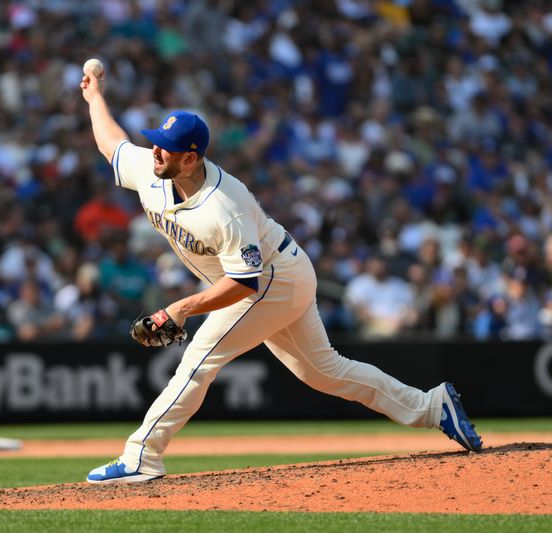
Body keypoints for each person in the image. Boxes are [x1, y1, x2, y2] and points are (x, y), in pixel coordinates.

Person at [80, 63, 482, 485]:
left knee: (199, 360)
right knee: (326, 371)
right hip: (280, 271)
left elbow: (244, 283)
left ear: (191, 157)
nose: (156, 150)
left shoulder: (224, 205)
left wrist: (180, 309)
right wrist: (95, 97)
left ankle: (142, 455)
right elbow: (113, 145)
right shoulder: (154, 170)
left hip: (273, 279)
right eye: (157, 142)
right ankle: (433, 407)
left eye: (166, 147)